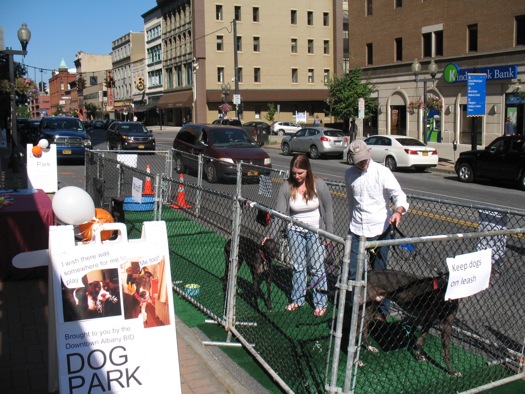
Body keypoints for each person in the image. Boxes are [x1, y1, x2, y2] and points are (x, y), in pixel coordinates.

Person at [344, 140, 409, 318]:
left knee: (381, 274)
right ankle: (354, 311)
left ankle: (381, 314)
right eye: (358, 160)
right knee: (353, 273)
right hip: (357, 230)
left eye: (364, 159)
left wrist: (398, 212)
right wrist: (352, 222)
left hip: (381, 230)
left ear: (369, 153)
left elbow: (399, 194)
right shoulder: (349, 174)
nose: (362, 163)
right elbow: (351, 202)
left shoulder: (382, 172)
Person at [268, 154, 334, 317]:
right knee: (298, 267)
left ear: (307, 170)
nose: (297, 176)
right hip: (294, 231)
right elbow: (280, 213)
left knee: (317, 268)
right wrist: (270, 235)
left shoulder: (319, 184)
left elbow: (328, 209)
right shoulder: (287, 186)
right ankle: (298, 299)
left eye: (300, 173)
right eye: (294, 173)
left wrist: (328, 235)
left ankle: (320, 302)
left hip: (315, 231)